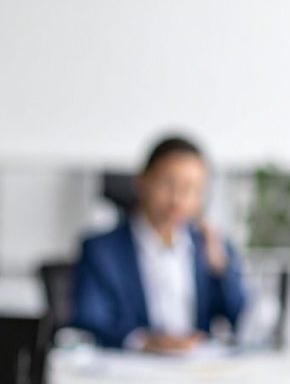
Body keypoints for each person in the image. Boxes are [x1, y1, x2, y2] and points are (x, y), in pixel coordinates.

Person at [71, 136, 245, 352]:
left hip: (196, 367)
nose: (178, 199)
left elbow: (241, 316)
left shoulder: (211, 246)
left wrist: (222, 270)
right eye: (168, 184)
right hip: (131, 368)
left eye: (191, 188)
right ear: (142, 181)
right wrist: (145, 342)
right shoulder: (102, 249)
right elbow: (90, 318)